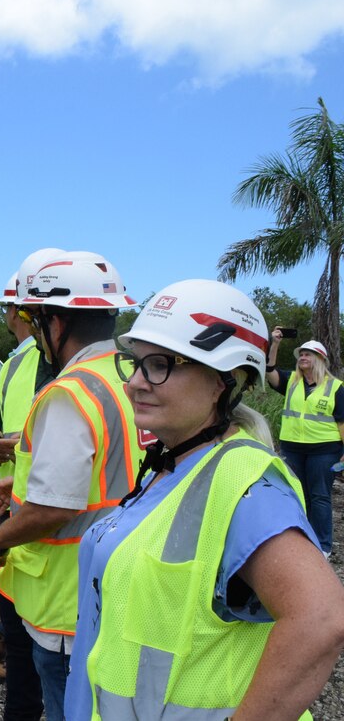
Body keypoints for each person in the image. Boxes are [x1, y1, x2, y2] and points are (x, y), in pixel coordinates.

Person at [65, 279, 344, 720]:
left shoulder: (244, 480)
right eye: (134, 364)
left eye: (159, 365)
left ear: (224, 380)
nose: (135, 383)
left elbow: (321, 620)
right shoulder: (175, 462)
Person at [0, 251, 144, 721]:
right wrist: (22, 479)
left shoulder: (70, 392)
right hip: (116, 584)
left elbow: (53, 509)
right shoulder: (129, 376)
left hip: (65, 603)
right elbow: (113, 467)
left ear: (54, 322)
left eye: (34, 318)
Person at [0, 250, 61, 719]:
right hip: (20, 506)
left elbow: (66, 439)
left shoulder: (76, 370)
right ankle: (12, 648)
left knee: (56, 669)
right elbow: (16, 431)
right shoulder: (17, 365)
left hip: (52, 524)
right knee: (25, 648)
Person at [265, 331, 344, 556]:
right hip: (293, 448)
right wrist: (275, 344)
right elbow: (269, 371)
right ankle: (303, 537)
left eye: (308, 354)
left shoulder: (336, 387)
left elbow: (343, 421)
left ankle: (323, 546)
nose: (302, 357)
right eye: (301, 354)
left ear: (320, 359)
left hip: (324, 450)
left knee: (319, 495)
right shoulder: (291, 380)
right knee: (297, 493)